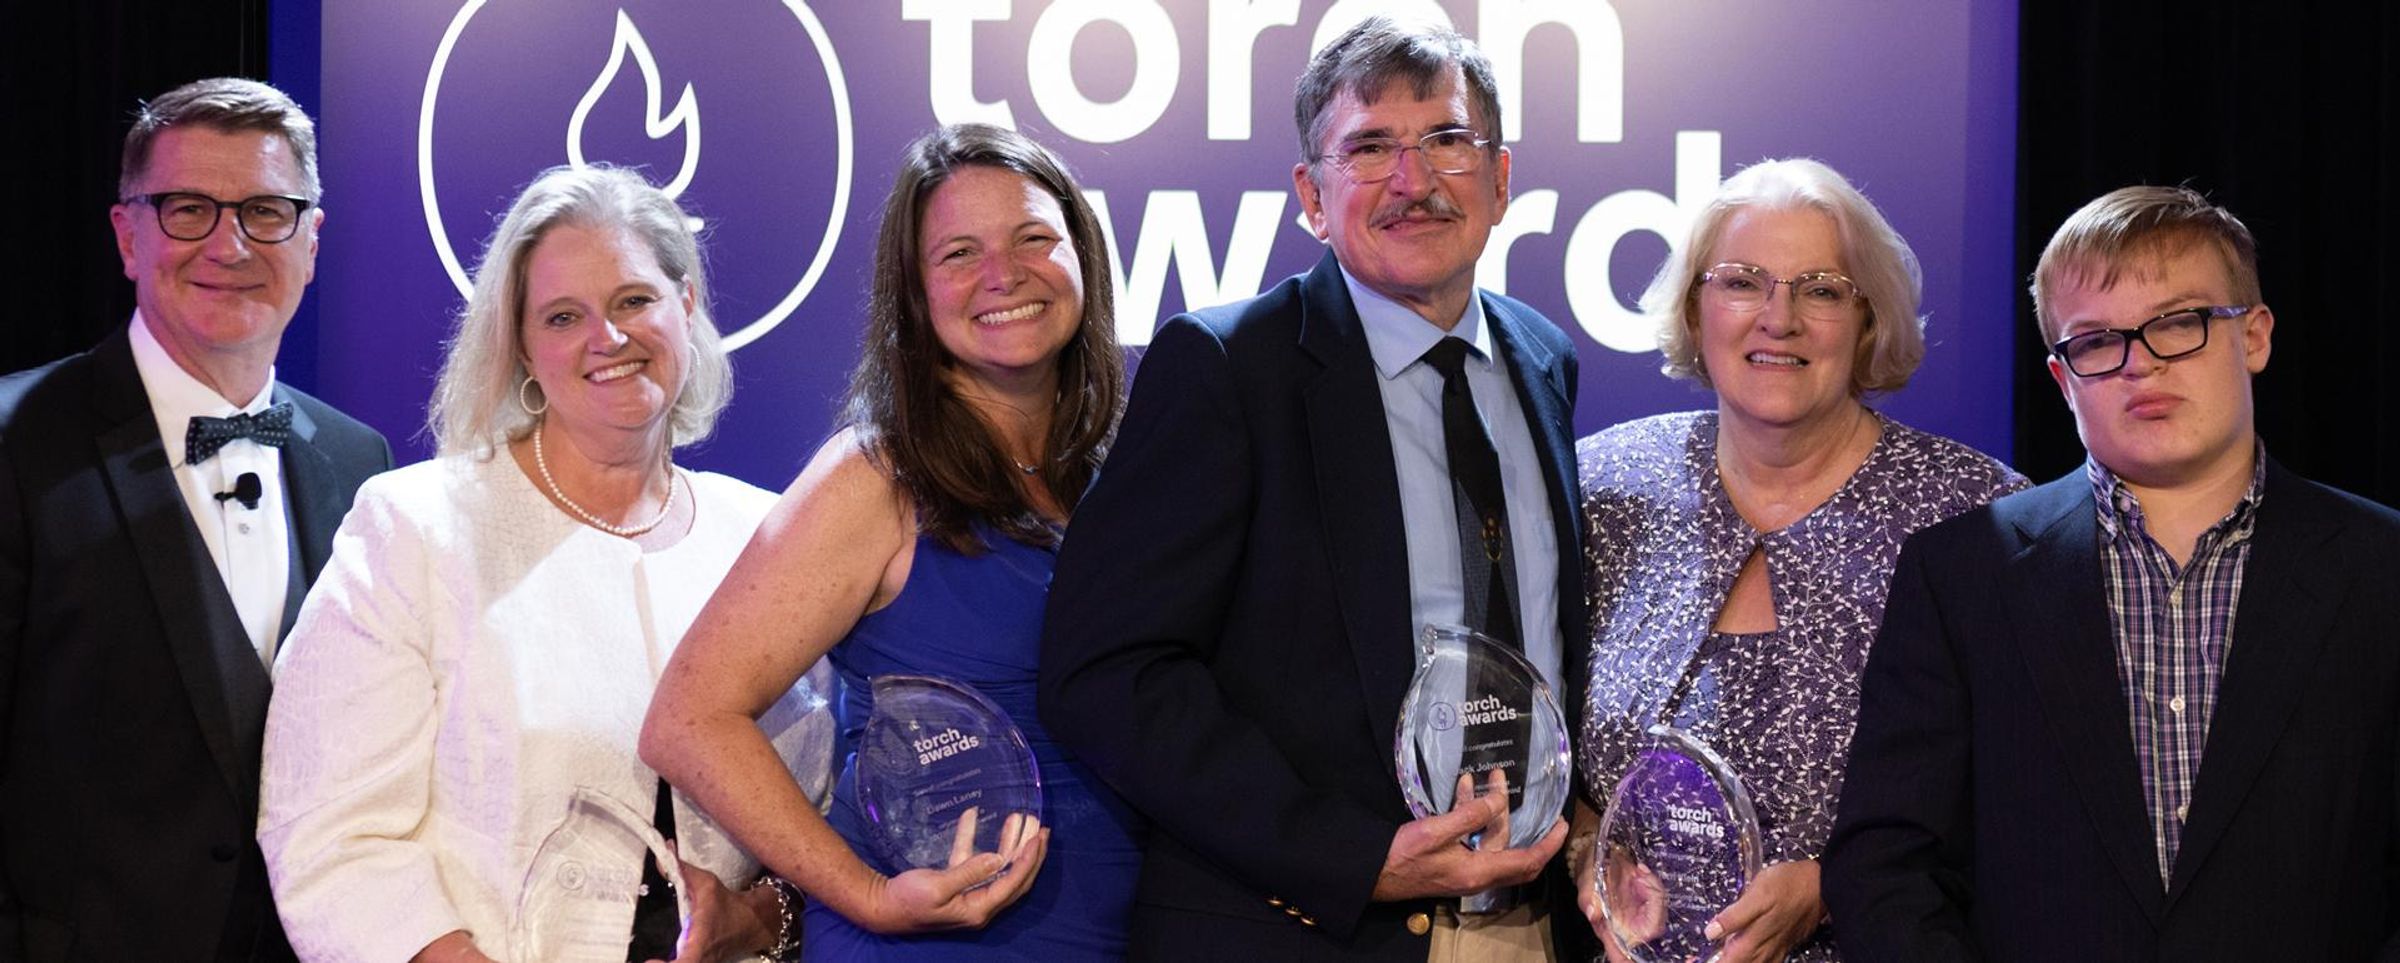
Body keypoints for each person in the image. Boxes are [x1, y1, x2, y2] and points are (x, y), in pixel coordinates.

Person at [1037, 16, 1582, 960]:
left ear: (1500, 180)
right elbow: (1105, 673)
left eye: (1446, 140)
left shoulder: (1544, 359)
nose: (1413, 181)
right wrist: (1354, 855)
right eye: (1369, 148)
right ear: (1312, 198)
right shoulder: (1226, 366)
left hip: (1534, 927)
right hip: (1311, 926)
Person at [256, 165, 831, 962]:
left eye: (634, 300)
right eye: (564, 316)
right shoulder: (415, 527)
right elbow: (327, 831)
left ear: (687, 306)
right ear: (522, 347)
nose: (609, 337)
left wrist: (762, 917)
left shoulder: (766, 535)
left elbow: (830, 818)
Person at [1822, 186, 2400, 960]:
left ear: (2254, 335)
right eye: (2096, 342)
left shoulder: (2380, 566)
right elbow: (1888, 864)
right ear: (2063, 379)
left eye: (2179, 323)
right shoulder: (1963, 573)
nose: (2142, 365)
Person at [639, 123, 1131, 960]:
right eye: (958, 254)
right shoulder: (877, 475)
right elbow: (687, 719)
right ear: (914, 292)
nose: (1002, 275)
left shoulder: (1119, 464)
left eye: (1034, 239)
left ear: (1083, 254)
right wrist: (869, 894)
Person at [1565, 158, 2026, 963]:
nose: (1778, 317)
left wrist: (1834, 883)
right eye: (1743, 282)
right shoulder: (1603, 486)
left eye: (1819, 288)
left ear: (1867, 319)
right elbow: (1547, 752)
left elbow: (2034, 796)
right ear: (1694, 307)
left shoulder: (1975, 514)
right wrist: (1590, 858)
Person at [0, 77, 391, 959]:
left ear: (312, 239)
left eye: (266, 209)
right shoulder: (14, 443)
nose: (229, 242)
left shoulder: (361, 461)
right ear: (126, 235)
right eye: (187, 209)